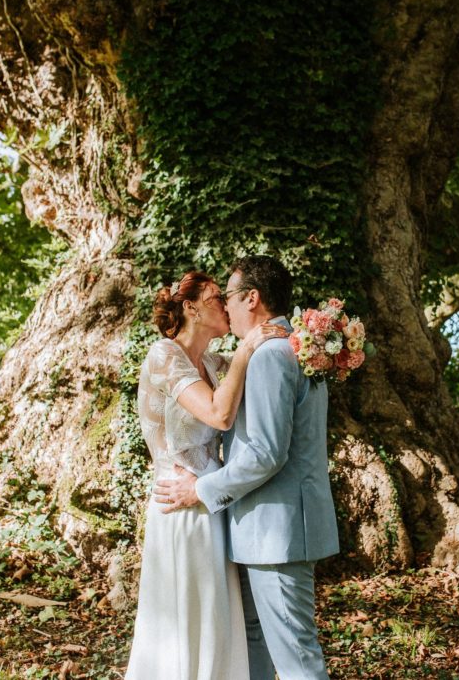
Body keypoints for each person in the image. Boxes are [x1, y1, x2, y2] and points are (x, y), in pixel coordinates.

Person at [155, 255, 339, 680]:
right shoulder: (292, 346)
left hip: (278, 530)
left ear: (252, 298)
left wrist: (198, 490)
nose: (226, 307)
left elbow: (266, 453)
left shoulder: (274, 354)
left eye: (230, 297)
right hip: (264, 530)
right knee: (254, 642)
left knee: (296, 657)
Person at [125, 270, 285, 680]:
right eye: (217, 298)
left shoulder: (215, 364)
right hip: (178, 504)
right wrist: (247, 350)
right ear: (191, 307)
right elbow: (218, 413)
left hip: (211, 500)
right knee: (184, 620)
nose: (225, 305)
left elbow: (268, 375)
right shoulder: (163, 354)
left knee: (217, 614)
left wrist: (320, 342)